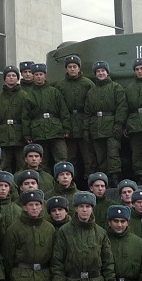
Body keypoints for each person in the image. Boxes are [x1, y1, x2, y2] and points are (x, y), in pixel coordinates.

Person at [84, 60, 128, 187]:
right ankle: (104, 179)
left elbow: (122, 107)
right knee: (100, 156)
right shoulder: (91, 92)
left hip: (111, 125)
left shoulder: (116, 87)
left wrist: (118, 123)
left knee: (113, 154)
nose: (101, 73)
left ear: (107, 72)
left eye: (103, 71)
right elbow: (87, 112)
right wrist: (86, 129)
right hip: (96, 126)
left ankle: (115, 178)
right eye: (98, 71)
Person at [54, 54, 95, 184]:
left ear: (79, 68)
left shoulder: (88, 84)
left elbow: (92, 105)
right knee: (70, 157)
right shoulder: (60, 86)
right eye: (70, 67)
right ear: (66, 69)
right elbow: (59, 107)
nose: (72, 69)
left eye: (74, 66)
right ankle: (72, 181)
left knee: (88, 157)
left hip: (84, 121)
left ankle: (89, 181)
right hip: (69, 123)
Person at [23, 63, 69, 171]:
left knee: (61, 158)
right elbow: (26, 117)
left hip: (56, 130)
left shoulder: (54, 92)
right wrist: (27, 134)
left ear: (45, 76)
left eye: (41, 74)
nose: (39, 76)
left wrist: (66, 127)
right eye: (36, 74)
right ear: (33, 76)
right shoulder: (29, 95)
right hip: (38, 131)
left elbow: (63, 111)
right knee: (42, 161)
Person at [0, 65, 26, 172]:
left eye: (14, 75)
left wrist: (27, 134)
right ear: (4, 78)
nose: (11, 77)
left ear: (18, 78)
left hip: (19, 135)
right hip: (3, 136)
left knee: (21, 164)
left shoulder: (24, 96)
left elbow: (27, 117)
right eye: (8, 75)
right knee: (4, 164)